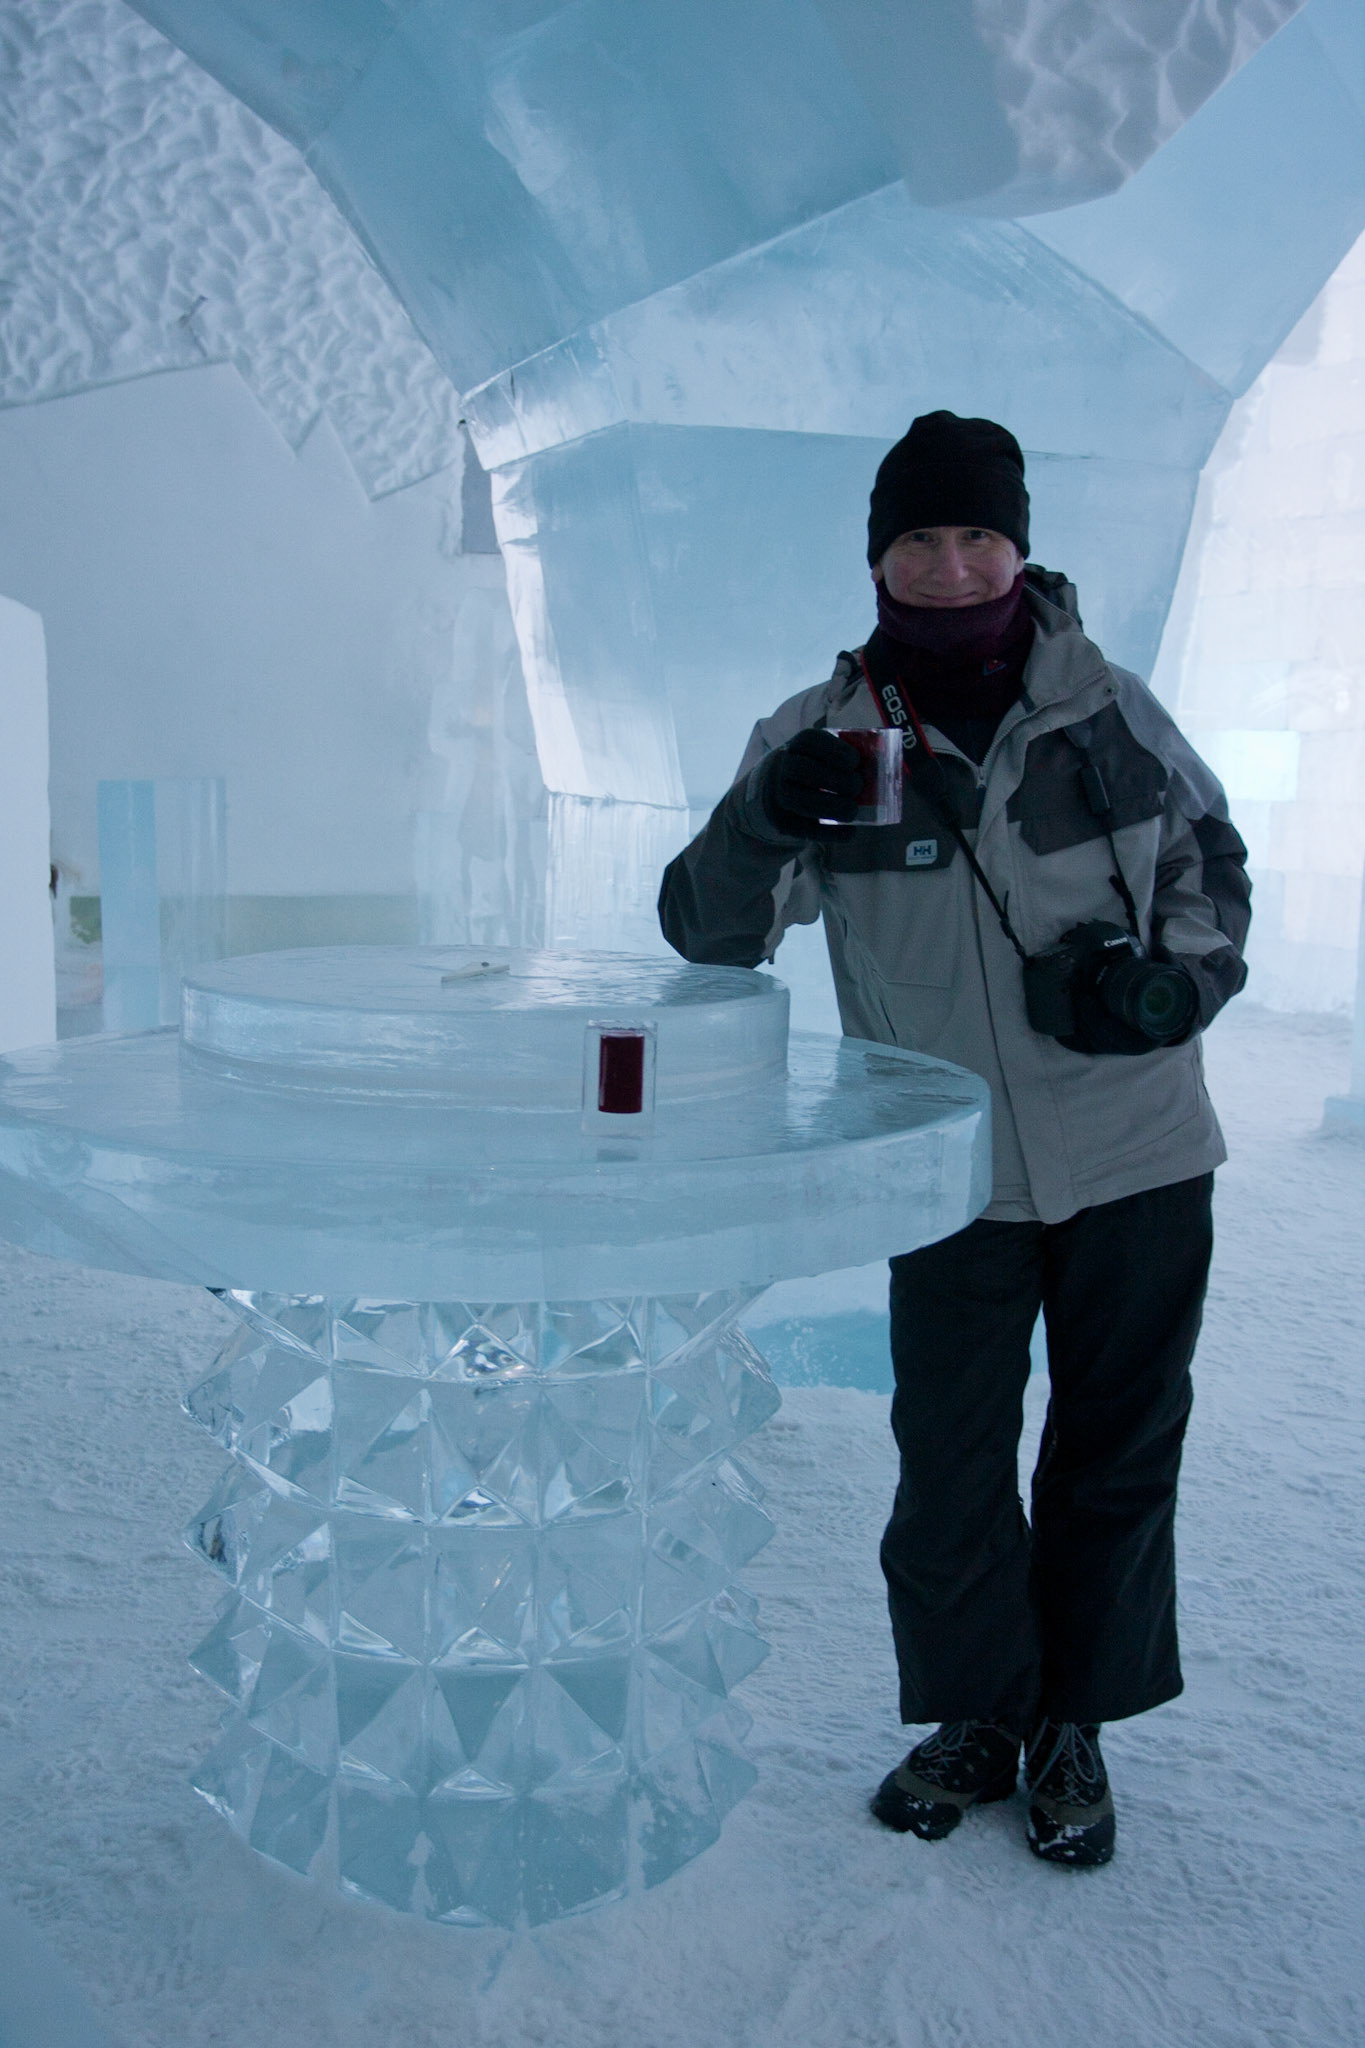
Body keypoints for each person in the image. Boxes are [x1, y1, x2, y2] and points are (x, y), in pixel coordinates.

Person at [657, 410, 1250, 1868]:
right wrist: (758, 815)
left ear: (1019, 546)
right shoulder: (813, 737)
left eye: (976, 532)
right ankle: (981, 1714)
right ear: (877, 557)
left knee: (1116, 1449)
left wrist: (1164, 989)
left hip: (1136, 1154)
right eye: (917, 536)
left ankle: (1074, 1732)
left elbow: (1212, 869)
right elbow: (706, 933)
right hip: (947, 1171)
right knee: (950, 1458)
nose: (949, 560)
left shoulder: (1109, 710)